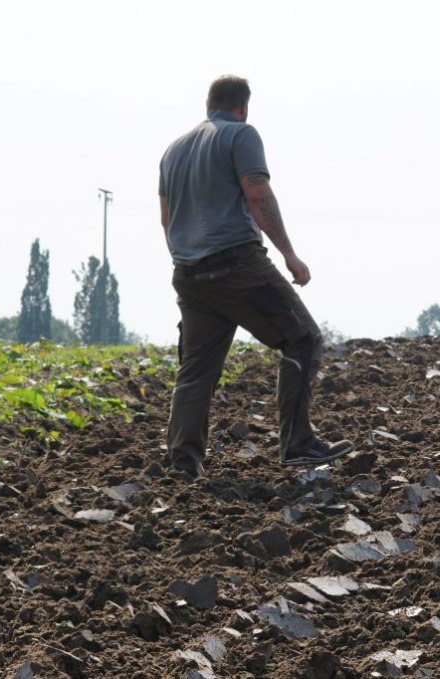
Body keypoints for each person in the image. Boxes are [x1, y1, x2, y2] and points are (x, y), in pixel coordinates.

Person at [158, 74, 350, 479]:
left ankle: (183, 462)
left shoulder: (173, 151)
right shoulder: (241, 135)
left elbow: (165, 218)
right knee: (303, 339)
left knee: (196, 369)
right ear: (242, 107)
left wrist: (188, 261)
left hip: (190, 272)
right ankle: (298, 442)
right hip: (237, 263)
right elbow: (257, 191)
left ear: (208, 103)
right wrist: (289, 255)